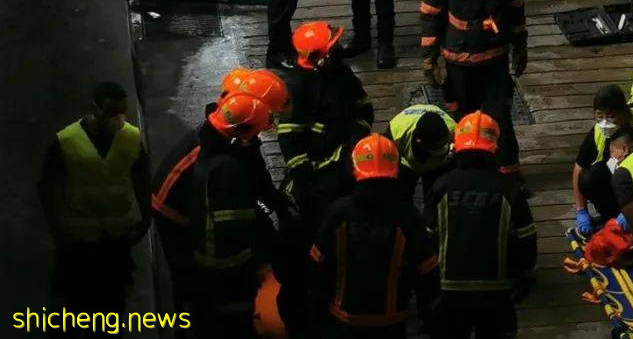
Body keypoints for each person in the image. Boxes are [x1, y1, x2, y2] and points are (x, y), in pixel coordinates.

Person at [152, 70, 289, 309]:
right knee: (190, 281)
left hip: (185, 206)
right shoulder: (210, 159)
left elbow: (255, 173)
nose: (269, 124)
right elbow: (221, 222)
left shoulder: (235, 134)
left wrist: (278, 202)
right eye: (268, 116)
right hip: (173, 215)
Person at [420, 0, 528, 176]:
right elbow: (431, 16)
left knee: (499, 119)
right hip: (458, 63)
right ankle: (467, 171)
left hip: (494, 60)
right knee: (463, 119)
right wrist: (429, 58)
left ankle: (508, 174)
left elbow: (515, 10)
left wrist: (520, 45)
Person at [308, 134, 439, 337]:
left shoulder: (338, 212)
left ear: (355, 169)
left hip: (344, 321)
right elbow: (427, 274)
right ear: (395, 169)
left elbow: (317, 267)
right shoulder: (408, 217)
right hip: (391, 322)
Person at [38, 81, 151, 309]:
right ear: (94, 109)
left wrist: (146, 218)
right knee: (77, 303)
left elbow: (141, 179)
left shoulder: (131, 138)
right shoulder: (67, 142)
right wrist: (58, 231)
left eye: (121, 112)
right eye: (111, 113)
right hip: (79, 242)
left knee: (112, 304)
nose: (117, 119)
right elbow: (47, 189)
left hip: (116, 240)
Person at [425, 112, 537, 339]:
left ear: (457, 147)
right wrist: (524, 276)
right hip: (496, 292)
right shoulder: (509, 189)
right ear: (494, 149)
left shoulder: (441, 186)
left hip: (450, 290)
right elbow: (527, 240)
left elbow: (428, 237)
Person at [188, 92, 277, 336]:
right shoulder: (227, 169)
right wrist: (258, 254)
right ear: (243, 129)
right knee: (235, 310)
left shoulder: (210, 148)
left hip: (207, 252)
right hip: (226, 258)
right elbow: (236, 225)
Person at [278, 21, 374, 176]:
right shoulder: (298, 87)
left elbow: (363, 104)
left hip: (351, 151)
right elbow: (290, 137)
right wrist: (306, 173)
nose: (339, 49)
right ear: (320, 57)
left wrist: (359, 131)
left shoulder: (342, 73)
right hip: (320, 163)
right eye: (333, 47)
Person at [572, 84, 633, 233]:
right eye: (599, 117)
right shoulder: (599, 129)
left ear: (625, 111)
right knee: (589, 178)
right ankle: (612, 218)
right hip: (622, 180)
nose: (604, 123)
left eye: (610, 117)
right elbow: (580, 166)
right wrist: (581, 210)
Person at [387, 103, 456, 201]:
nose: (440, 150)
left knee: (437, 194)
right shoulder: (395, 134)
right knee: (400, 192)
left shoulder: (454, 130)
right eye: (435, 148)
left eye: (442, 145)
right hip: (407, 162)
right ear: (419, 142)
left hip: (438, 165)